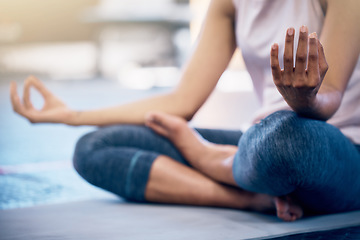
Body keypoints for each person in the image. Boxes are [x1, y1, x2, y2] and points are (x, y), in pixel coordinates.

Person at [10, 0, 360, 222]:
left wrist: (303, 98)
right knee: (94, 148)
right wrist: (73, 115)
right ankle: (255, 199)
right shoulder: (229, 3)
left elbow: (328, 98)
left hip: (333, 149)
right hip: (257, 146)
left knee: (285, 141)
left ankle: (217, 161)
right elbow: (182, 101)